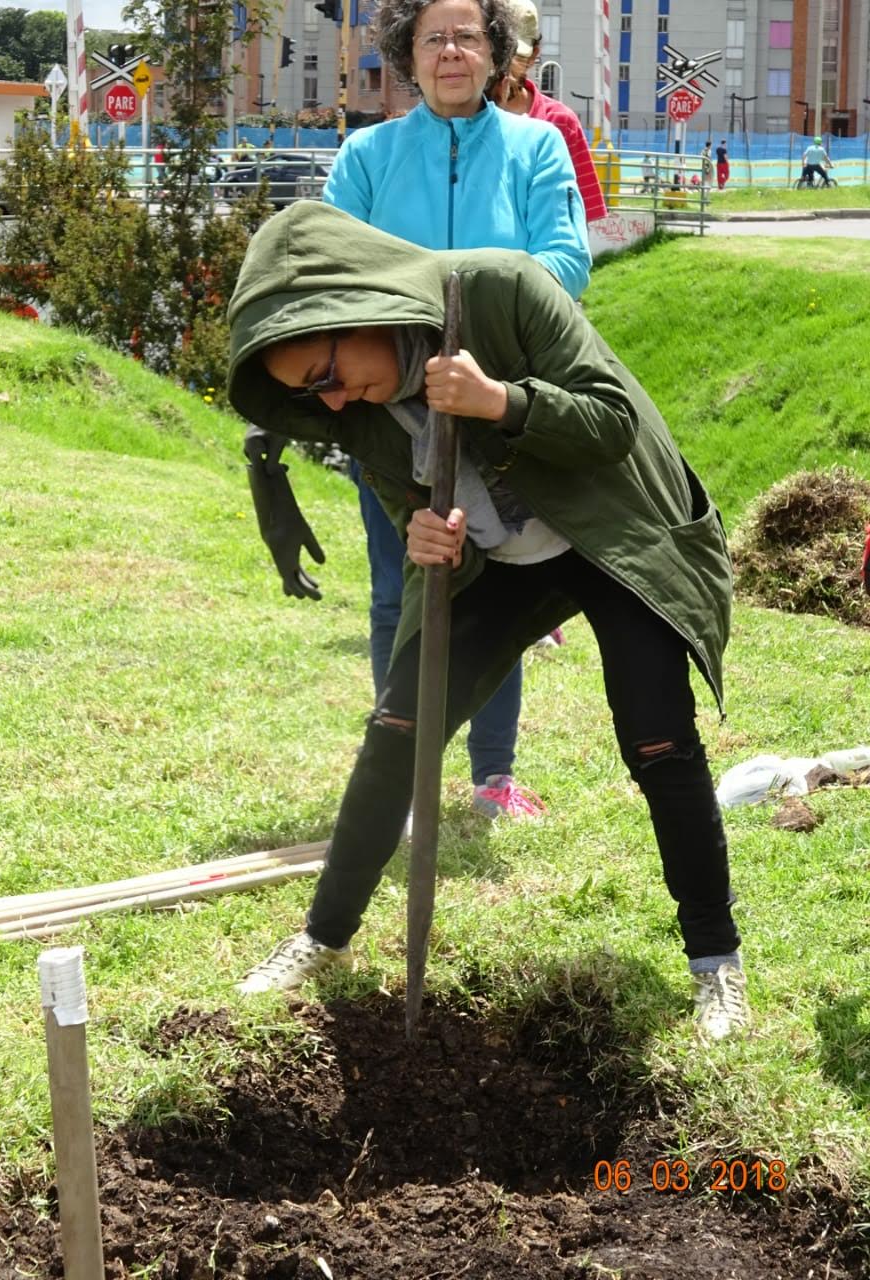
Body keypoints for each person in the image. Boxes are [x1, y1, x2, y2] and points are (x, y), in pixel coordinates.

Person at [228, 201, 750, 1042]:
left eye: (323, 375)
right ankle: (323, 935)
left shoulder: (504, 290)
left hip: (612, 534)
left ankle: (715, 961)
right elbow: (410, 503)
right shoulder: (358, 411)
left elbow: (612, 424)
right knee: (397, 726)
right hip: (505, 562)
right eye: (305, 396)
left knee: (659, 741)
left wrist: (500, 401)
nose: (327, 405)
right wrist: (428, 537)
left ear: (356, 309)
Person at [245, 0, 591, 821]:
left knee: (497, 589)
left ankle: (492, 777)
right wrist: (458, 289)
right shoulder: (366, 154)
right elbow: (328, 270)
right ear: (408, 52)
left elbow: (566, 264)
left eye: (468, 36)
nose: (450, 52)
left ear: (495, 52)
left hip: (494, 395)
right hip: (389, 406)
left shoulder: (537, 147)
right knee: (399, 591)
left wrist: (454, 301)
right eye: (433, 37)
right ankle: (402, 779)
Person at [487, 0, 607, 223]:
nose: (503, 68)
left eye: (514, 57)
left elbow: (583, 216)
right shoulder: (459, 116)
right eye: (496, 55)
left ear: (533, 55)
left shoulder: (561, 122)